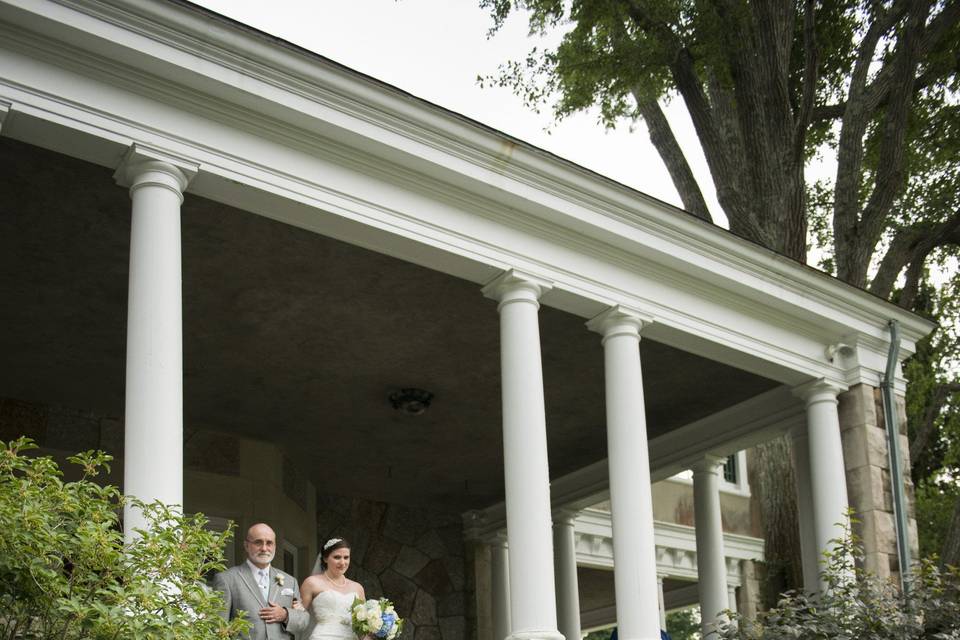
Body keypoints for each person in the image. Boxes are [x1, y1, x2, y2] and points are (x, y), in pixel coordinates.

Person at [212, 523, 309, 640]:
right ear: (246, 545)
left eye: (269, 543)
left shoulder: (290, 581)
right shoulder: (227, 579)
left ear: (275, 546)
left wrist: (285, 615)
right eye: (258, 542)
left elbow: (304, 621)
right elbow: (217, 627)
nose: (264, 548)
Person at [299, 537, 365, 640]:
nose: (342, 562)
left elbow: (363, 625)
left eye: (346, 557)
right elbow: (298, 617)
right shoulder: (312, 582)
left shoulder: (358, 588)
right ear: (325, 558)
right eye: (337, 557)